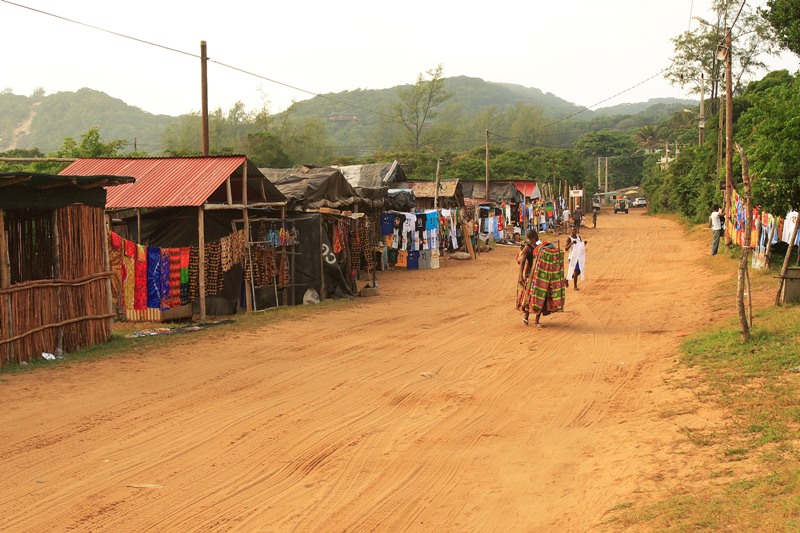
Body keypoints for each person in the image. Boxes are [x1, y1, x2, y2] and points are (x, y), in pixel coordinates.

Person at [516, 229, 566, 327]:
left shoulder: (539, 247)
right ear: (534, 236)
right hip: (530, 276)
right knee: (530, 297)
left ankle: (535, 320)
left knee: (540, 296)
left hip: (540, 276)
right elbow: (522, 262)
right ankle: (527, 318)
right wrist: (520, 276)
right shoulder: (528, 248)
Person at [565, 227, 586, 291]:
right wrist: (571, 243)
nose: (574, 231)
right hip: (572, 257)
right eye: (573, 230)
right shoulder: (569, 238)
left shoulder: (578, 237)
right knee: (576, 271)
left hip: (578, 257)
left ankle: (566, 279)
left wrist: (584, 244)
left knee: (579, 271)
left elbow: (580, 246)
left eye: (575, 230)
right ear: (571, 230)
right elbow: (566, 249)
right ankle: (575, 286)